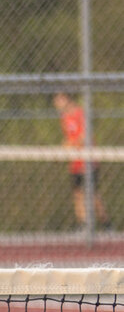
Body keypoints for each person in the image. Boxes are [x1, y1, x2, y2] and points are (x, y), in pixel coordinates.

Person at [54, 92, 110, 230]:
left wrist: (70, 144)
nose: (57, 103)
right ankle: (83, 224)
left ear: (67, 99)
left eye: (59, 100)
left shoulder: (80, 113)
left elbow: (84, 135)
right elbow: (68, 137)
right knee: (78, 194)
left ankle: (106, 223)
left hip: (88, 160)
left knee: (92, 194)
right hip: (75, 162)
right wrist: (63, 148)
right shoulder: (64, 117)